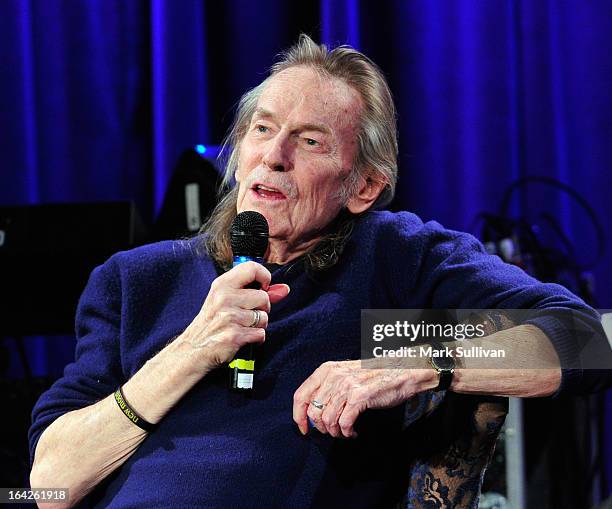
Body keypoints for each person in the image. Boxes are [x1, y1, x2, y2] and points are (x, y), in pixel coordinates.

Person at [29, 35, 607, 508]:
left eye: (310, 141)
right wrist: (190, 352)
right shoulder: (135, 280)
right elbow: (45, 487)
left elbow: (589, 340)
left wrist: (419, 362)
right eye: (261, 128)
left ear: (364, 187)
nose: (273, 155)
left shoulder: (395, 255)